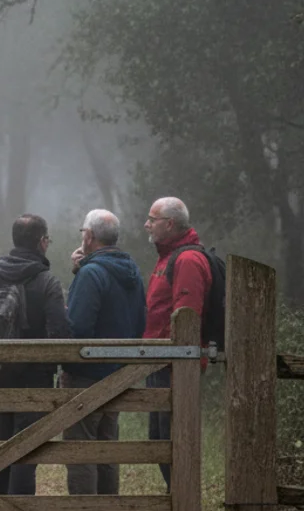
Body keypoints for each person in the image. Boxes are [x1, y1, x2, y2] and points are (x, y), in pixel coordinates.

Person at [0, 213, 72, 496]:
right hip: (35, 381)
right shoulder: (47, 281)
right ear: (42, 242)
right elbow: (60, 336)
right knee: (25, 457)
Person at [62, 209, 147, 495]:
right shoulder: (131, 270)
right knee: (107, 448)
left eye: (82, 232)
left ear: (89, 236)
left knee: (82, 450)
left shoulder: (92, 273)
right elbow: (140, 322)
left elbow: (78, 327)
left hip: (87, 375)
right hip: (118, 373)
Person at [142, 196, 212, 488]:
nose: (146, 224)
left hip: (173, 368)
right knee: (159, 441)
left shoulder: (187, 261)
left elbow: (187, 321)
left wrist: (178, 365)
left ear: (169, 224)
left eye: (152, 219)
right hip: (160, 364)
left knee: (172, 443)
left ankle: (183, 500)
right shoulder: (168, 258)